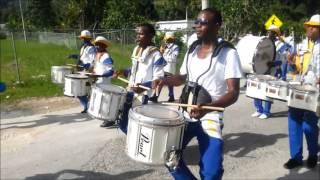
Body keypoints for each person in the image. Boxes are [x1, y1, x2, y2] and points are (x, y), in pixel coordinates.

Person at [154, 8, 242, 180]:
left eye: (203, 23)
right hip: (185, 116)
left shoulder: (228, 54)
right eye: (196, 22)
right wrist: (165, 80)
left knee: (211, 173)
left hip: (211, 117)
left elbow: (234, 92)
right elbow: (183, 78)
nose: (197, 26)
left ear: (217, 26)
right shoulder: (192, 50)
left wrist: (208, 109)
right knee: (169, 156)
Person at [283, 14, 320, 169]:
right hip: (299, 87)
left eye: (312, 27)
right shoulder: (303, 44)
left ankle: (312, 154)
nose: (308, 29)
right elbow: (297, 68)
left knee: (309, 124)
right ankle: (296, 157)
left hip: (314, 90)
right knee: (293, 120)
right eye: (308, 26)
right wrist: (292, 62)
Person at [116, 23, 166, 133]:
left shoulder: (156, 54)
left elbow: (159, 79)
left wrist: (143, 87)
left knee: (138, 127)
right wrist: (124, 71)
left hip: (144, 96)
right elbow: (135, 69)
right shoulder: (136, 49)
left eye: (141, 34)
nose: (137, 36)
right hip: (131, 91)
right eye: (137, 34)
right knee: (123, 123)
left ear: (150, 36)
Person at [251, 25, 293, 119]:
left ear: (277, 34)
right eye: (269, 32)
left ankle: (266, 112)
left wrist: (274, 63)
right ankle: (259, 109)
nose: (270, 33)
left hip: (272, 71)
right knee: (257, 90)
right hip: (261, 69)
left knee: (267, 91)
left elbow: (283, 60)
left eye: (272, 32)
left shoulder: (281, 45)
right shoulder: (264, 42)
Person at [89, 36, 115, 127]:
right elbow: (96, 67)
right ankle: (106, 117)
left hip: (104, 82)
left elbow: (111, 71)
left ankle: (110, 119)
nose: (96, 47)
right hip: (98, 81)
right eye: (96, 45)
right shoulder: (97, 55)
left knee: (106, 101)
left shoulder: (106, 56)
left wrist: (101, 75)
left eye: (99, 45)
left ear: (104, 46)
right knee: (100, 100)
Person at [150, 32, 180, 102]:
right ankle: (158, 96)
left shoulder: (175, 47)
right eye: (167, 39)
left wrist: (167, 49)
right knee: (161, 81)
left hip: (170, 66)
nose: (167, 41)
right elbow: (160, 55)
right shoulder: (163, 45)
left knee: (167, 82)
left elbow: (174, 57)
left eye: (169, 39)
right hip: (163, 66)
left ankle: (164, 96)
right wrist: (162, 50)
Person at [71, 30, 96, 113]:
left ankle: (88, 106)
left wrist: (88, 65)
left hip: (87, 70)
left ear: (88, 39)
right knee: (79, 89)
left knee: (84, 89)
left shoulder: (91, 48)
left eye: (85, 38)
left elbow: (92, 60)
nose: (83, 39)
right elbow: (82, 57)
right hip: (81, 70)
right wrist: (76, 56)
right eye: (83, 38)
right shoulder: (83, 46)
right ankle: (86, 105)